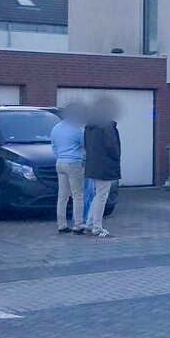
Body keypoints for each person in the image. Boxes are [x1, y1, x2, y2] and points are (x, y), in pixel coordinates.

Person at [82, 97, 121, 238]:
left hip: (93, 164)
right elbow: (112, 147)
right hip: (105, 165)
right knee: (102, 196)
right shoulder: (107, 126)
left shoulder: (89, 126)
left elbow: (85, 145)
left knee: (97, 195)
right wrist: (116, 158)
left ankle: (89, 223)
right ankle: (97, 227)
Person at [50, 102, 87, 234]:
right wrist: (84, 159)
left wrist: (59, 156)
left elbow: (53, 146)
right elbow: (85, 147)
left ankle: (62, 225)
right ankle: (78, 225)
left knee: (62, 196)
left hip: (60, 163)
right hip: (74, 164)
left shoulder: (56, 128)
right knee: (78, 195)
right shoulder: (78, 129)